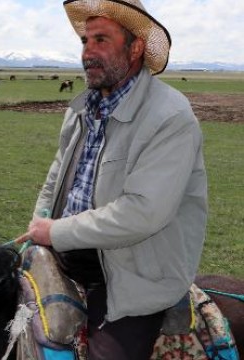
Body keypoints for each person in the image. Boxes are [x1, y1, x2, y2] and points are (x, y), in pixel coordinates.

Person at [15, 1, 208, 359]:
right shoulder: (83, 109)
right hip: (66, 254)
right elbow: (57, 175)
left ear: (135, 48)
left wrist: (54, 232)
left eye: (101, 40)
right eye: (85, 41)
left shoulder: (170, 117)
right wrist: (38, 223)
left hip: (132, 272)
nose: (88, 52)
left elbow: (142, 213)